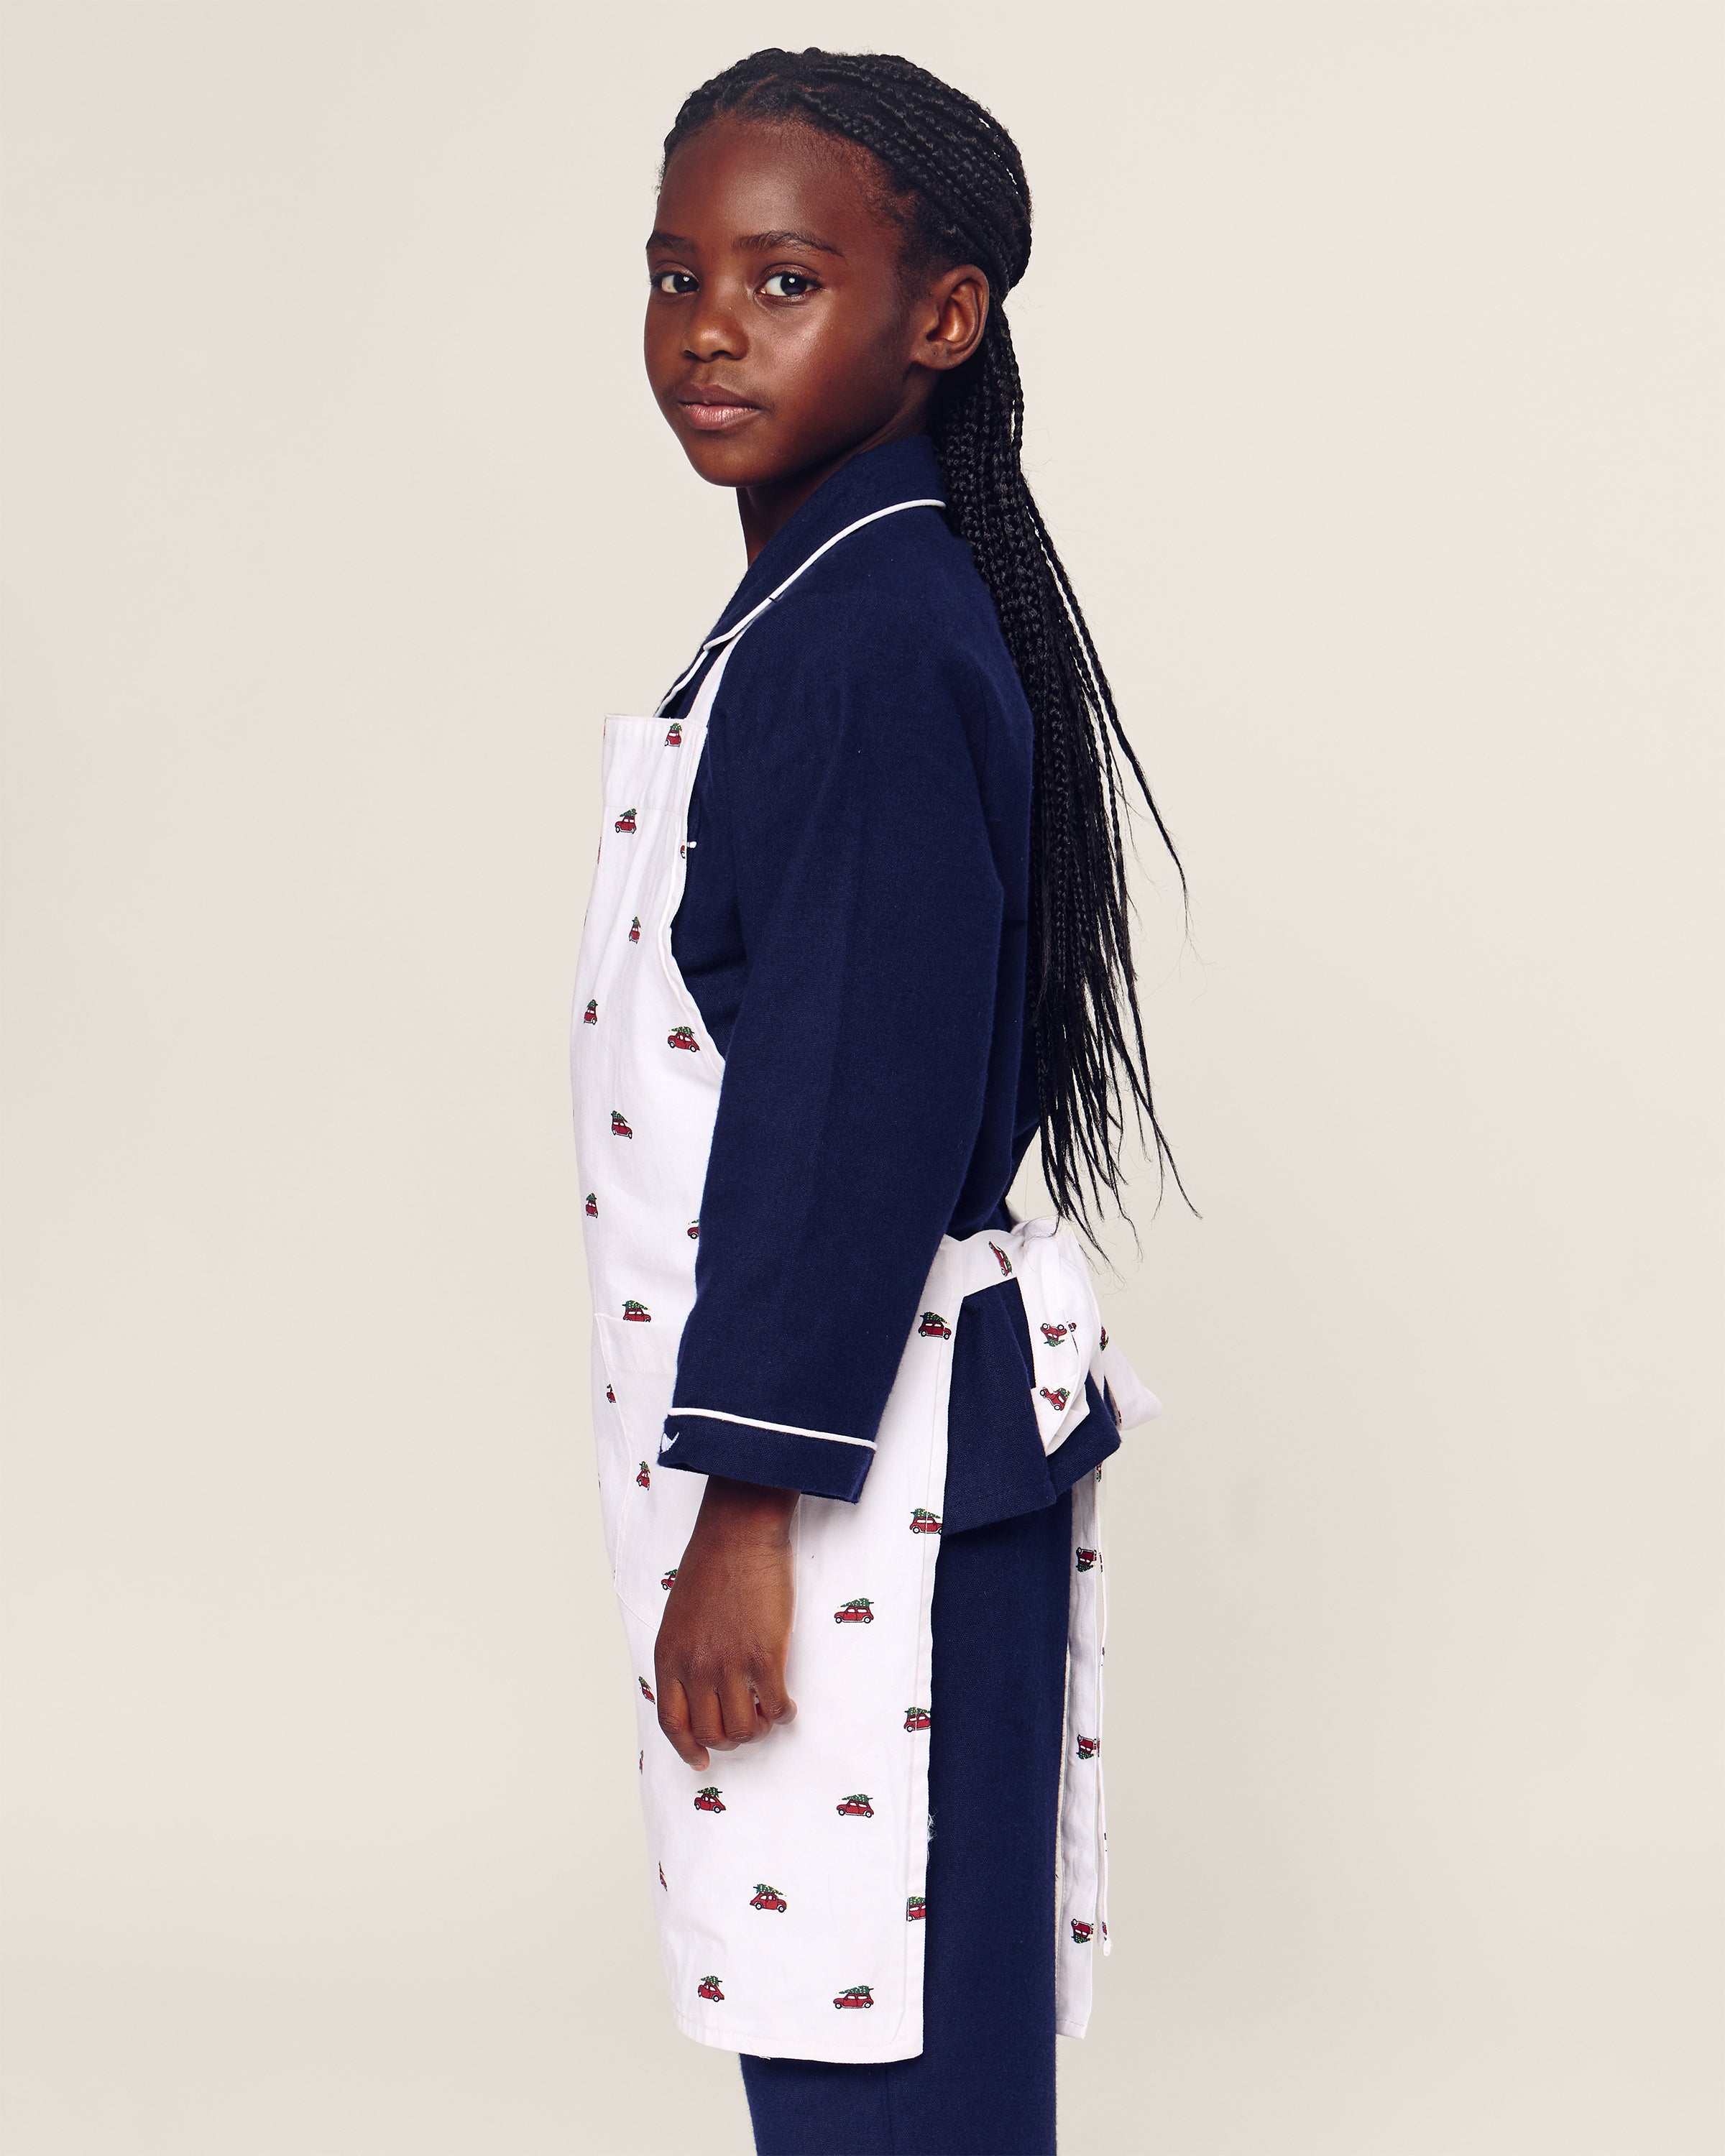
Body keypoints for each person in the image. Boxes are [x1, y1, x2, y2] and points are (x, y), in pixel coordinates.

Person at [569, 47, 1193, 2156]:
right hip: (869, 1442)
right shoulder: (820, 611)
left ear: (943, 319)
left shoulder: (858, 644)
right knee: (854, 2023)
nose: (710, 327)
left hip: (866, 1482)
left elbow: (849, 1103)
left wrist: (747, 1516)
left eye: (781, 278)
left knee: (886, 2056)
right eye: (675, 274)